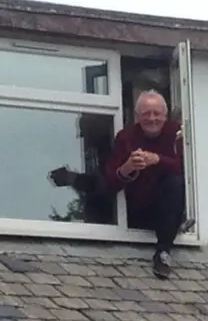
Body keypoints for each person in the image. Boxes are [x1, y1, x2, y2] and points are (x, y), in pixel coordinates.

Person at [49, 89, 193, 279]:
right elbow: (108, 182)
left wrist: (157, 160)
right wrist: (127, 167)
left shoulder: (177, 133)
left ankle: (163, 250)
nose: (152, 119)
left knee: (175, 182)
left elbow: (187, 171)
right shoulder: (126, 137)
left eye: (157, 114)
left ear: (165, 116)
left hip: (169, 211)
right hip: (136, 210)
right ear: (137, 116)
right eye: (146, 114)